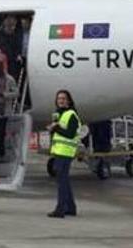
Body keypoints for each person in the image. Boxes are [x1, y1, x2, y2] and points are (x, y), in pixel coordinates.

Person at [46, 89, 81, 218]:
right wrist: (52, 128)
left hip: (66, 152)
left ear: (69, 101)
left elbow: (70, 134)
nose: (60, 101)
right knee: (64, 179)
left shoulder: (71, 114)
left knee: (61, 181)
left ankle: (60, 209)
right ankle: (71, 207)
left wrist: (56, 128)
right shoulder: (59, 114)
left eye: (63, 99)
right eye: (59, 98)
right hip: (59, 151)